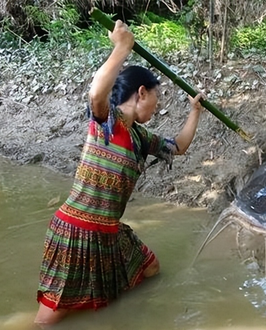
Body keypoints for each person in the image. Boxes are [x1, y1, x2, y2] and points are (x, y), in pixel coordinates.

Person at [34, 20, 205, 326]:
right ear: (142, 93)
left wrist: (195, 111)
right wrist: (122, 48)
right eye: (156, 97)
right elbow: (97, 94)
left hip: (108, 231)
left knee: (150, 268)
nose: (157, 105)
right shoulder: (106, 121)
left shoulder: (140, 137)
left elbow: (178, 146)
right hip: (78, 230)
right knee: (48, 319)